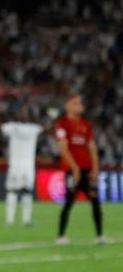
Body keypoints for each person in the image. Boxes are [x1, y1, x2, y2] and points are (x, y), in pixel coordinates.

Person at [53, 94, 107, 245]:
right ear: (68, 106)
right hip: (72, 171)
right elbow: (63, 149)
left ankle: (100, 235)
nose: (80, 106)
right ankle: (61, 236)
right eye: (76, 103)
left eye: (80, 103)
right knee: (69, 201)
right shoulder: (62, 124)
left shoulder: (86, 124)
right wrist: (74, 168)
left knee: (95, 201)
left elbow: (92, 148)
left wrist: (95, 169)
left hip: (87, 170)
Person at [0, 106, 42, 227]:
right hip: (15, 165)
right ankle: (9, 220)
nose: (23, 114)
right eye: (21, 112)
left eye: (25, 112)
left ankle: (26, 220)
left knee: (27, 192)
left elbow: (46, 131)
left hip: (29, 166)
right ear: (16, 114)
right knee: (12, 191)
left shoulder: (34, 128)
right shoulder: (11, 127)